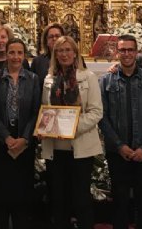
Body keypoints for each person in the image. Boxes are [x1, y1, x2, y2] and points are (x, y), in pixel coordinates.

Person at [99, 35, 142, 229]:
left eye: (130, 50)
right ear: (117, 52)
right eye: (122, 50)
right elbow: (103, 117)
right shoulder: (106, 81)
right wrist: (119, 146)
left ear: (137, 52)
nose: (126, 54)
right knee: (120, 201)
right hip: (118, 152)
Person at [41, 36, 103, 229]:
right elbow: (45, 109)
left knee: (81, 199)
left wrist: (72, 127)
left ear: (75, 53)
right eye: (60, 50)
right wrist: (47, 126)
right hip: (56, 147)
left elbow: (96, 112)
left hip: (80, 146)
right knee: (59, 199)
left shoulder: (87, 77)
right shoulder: (49, 79)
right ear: (55, 54)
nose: (64, 54)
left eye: (68, 50)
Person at [0, 39, 41, 229]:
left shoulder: (33, 79)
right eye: (12, 52)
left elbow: (36, 111)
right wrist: (6, 137)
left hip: (24, 142)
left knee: (22, 191)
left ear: (24, 55)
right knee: (2, 191)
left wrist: (25, 138)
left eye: (19, 53)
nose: (16, 57)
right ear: (5, 54)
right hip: (1, 142)